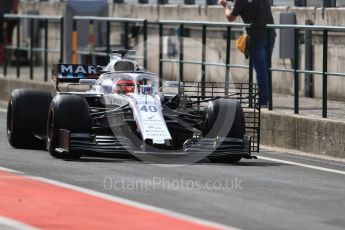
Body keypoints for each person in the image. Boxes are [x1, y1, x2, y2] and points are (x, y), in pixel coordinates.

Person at [219, 0, 275, 107]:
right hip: (270, 35)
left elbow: (230, 17)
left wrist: (226, 6)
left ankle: (263, 101)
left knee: (261, 70)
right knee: (266, 69)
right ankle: (267, 99)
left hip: (256, 37)